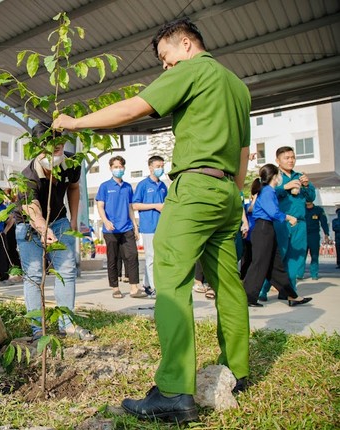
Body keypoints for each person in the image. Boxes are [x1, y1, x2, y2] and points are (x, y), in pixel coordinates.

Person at [53, 17, 250, 423]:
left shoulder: (194, 70)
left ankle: (175, 390)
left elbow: (133, 108)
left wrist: (74, 123)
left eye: (165, 57)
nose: (165, 66)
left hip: (195, 187)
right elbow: (244, 152)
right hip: (228, 192)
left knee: (170, 279)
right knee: (228, 283)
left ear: (185, 43)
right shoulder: (238, 86)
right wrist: (232, 190)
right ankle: (238, 370)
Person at [15, 122, 94, 341]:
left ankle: (66, 324)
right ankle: (37, 327)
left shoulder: (72, 162)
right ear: (38, 147)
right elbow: (32, 210)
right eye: (48, 143)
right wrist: (42, 228)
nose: (55, 146)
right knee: (33, 276)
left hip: (60, 220)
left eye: (58, 140)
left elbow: (74, 187)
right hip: (28, 225)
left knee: (67, 269)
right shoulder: (28, 176)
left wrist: (74, 220)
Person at [243, 164, 312, 308]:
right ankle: (248, 297)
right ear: (275, 176)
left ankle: (292, 295)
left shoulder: (268, 190)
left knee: (276, 266)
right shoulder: (268, 191)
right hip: (263, 229)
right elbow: (273, 212)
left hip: (266, 229)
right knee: (260, 264)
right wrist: (289, 217)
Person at [259, 146, 316, 297]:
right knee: (277, 256)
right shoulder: (274, 177)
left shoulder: (300, 176)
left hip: (300, 223)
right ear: (277, 160)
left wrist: (306, 185)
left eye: (293, 157)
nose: (291, 160)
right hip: (281, 222)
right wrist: (285, 187)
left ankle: (289, 291)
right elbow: (263, 194)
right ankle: (262, 290)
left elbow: (311, 198)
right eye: (286, 158)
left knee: (295, 258)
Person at [96, 155, 144, 299]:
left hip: (127, 227)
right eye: (115, 167)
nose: (118, 169)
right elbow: (100, 205)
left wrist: (135, 226)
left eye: (120, 167)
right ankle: (115, 288)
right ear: (111, 168)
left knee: (133, 256)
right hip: (110, 229)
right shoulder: (105, 186)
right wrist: (105, 221)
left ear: (124, 168)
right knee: (113, 258)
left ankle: (134, 288)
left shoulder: (128, 187)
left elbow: (130, 207)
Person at [132, 155, 167, 297]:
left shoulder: (163, 186)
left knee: (156, 257)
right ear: (150, 167)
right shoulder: (143, 185)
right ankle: (155, 288)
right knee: (151, 257)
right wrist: (155, 206)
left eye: (162, 166)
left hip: (161, 226)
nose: (160, 168)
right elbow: (135, 205)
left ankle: (146, 284)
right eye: (158, 166)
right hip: (148, 226)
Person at [0, 187, 22, 284]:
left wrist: (5, 231)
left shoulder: (10, 206)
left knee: (11, 252)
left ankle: (18, 272)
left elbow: (12, 219)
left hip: (8, 232)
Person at [301, 201, 329, 280]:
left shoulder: (318, 210)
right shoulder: (301, 209)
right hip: (302, 235)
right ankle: (300, 274)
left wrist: (326, 233)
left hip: (314, 235)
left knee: (314, 255)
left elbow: (324, 222)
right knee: (302, 255)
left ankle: (314, 274)